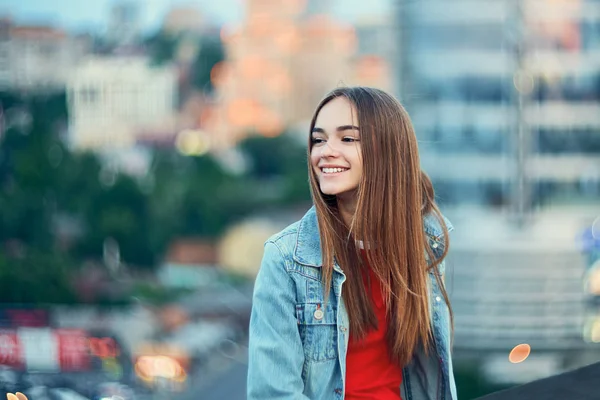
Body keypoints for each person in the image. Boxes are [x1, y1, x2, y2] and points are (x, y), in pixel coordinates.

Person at [247, 86, 456, 400]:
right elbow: (272, 393)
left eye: (347, 138)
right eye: (319, 139)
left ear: (386, 149)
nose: (326, 151)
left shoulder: (426, 244)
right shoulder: (286, 259)